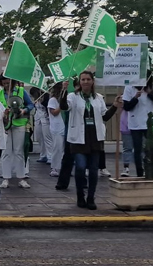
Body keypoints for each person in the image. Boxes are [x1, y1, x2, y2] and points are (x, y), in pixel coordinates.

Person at [58, 71, 120, 210]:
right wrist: (63, 91)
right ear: (80, 82)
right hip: (78, 139)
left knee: (93, 170)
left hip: (95, 139)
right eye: (83, 79)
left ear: (92, 81)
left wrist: (115, 106)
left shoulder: (98, 98)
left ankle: (91, 197)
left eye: (88, 79)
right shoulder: (73, 96)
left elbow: (105, 116)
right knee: (80, 168)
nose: (85, 82)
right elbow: (64, 107)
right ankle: (80, 195)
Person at [0, 75, 33, 189]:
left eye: (8, 83)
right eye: (4, 83)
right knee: (6, 152)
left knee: (19, 151)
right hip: (5, 125)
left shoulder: (21, 91)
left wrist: (24, 110)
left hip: (19, 124)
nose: (7, 85)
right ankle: (5, 178)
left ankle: (21, 178)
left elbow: (30, 104)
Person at [122, 79, 153, 177]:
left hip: (149, 123)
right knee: (137, 149)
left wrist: (150, 94)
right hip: (135, 123)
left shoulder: (151, 87)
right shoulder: (129, 87)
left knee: (152, 148)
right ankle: (139, 172)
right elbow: (126, 107)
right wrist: (135, 98)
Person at [46, 82, 66, 178]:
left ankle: (63, 167)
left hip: (64, 126)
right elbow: (53, 112)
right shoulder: (53, 100)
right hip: (57, 128)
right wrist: (61, 105)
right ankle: (54, 167)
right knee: (57, 147)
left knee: (63, 148)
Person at [32, 87, 52, 166]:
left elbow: (48, 107)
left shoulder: (46, 96)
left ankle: (50, 156)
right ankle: (43, 154)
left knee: (47, 138)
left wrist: (42, 101)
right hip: (38, 118)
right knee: (39, 137)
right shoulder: (36, 99)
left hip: (45, 118)